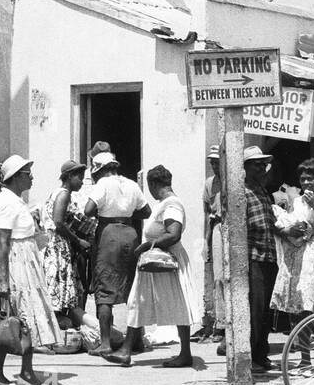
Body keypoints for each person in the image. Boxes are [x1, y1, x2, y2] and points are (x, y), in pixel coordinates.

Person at [0, 155, 61, 385]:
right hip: (15, 266)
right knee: (25, 318)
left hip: (24, 262)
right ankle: (26, 373)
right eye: (28, 173)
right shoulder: (6, 202)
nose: (32, 177)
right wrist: (3, 280)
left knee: (11, 319)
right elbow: (4, 242)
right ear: (15, 177)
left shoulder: (14, 200)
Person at [107, 165, 201, 367]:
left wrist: (147, 245)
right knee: (137, 301)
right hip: (153, 261)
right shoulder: (164, 204)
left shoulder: (172, 204)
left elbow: (173, 233)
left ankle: (185, 353)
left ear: (153, 184)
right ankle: (126, 350)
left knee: (178, 303)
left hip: (165, 261)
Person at [271, 158, 314, 363]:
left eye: (310, 179)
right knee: (302, 306)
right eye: (303, 179)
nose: (306, 183)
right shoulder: (296, 201)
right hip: (300, 253)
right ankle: (304, 358)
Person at [84, 152, 150, 355]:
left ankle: (105, 344)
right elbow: (146, 211)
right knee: (132, 288)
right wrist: (127, 214)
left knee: (105, 289)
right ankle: (136, 340)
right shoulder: (131, 184)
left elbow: (88, 209)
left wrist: (105, 211)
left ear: (101, 169)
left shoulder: (102, 184)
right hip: (130, 233)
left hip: (109, 234)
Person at [40, 160, 92, 337]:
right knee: (59, 283)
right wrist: (78, 241)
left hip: (59, 244)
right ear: (69, 177)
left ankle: (59, 325)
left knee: (59, 285)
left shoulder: (59, 193)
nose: (81, 182)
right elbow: (59, 222)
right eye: (79, 178)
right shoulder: (63, 194)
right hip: (59, 244)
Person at [241, 146, 280, 375]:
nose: (261, 167)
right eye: (256, 163)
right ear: (245, 167)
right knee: (254, 310)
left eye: (263, 163)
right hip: (253, 257)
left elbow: (271, 223)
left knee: (265, 311)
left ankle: (261, 354)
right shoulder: (242, 193)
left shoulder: (263, 192)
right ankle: (251, 356)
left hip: (268, 256)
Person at [197, 144, 224, 342]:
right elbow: (207, 213)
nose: (215, 165)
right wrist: (206, 242)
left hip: (233, 227)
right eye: (212, 162)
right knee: (219, 277)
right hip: (217, 227)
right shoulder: (209, 183)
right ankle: (221, 324)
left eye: (217, 161)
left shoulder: (234, 180)